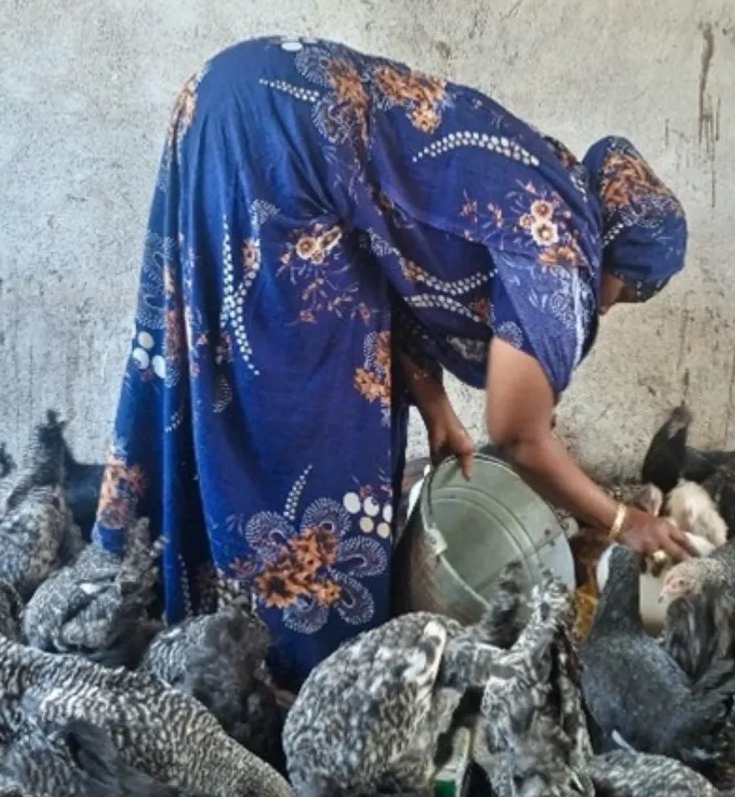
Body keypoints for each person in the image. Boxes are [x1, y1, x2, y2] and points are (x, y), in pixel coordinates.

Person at [95, 35, 693, 688]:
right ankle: (297, 672)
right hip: (284, 152)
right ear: (620, 267)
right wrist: (619, 520)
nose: (608, 309)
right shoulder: (562, 254)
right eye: (626, 293)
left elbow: (393, 248)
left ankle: (166, 597)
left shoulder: (546, 174)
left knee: (230, 364)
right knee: (311, 424)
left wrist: (436, 409)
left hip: (235, 92)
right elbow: (522, 436)